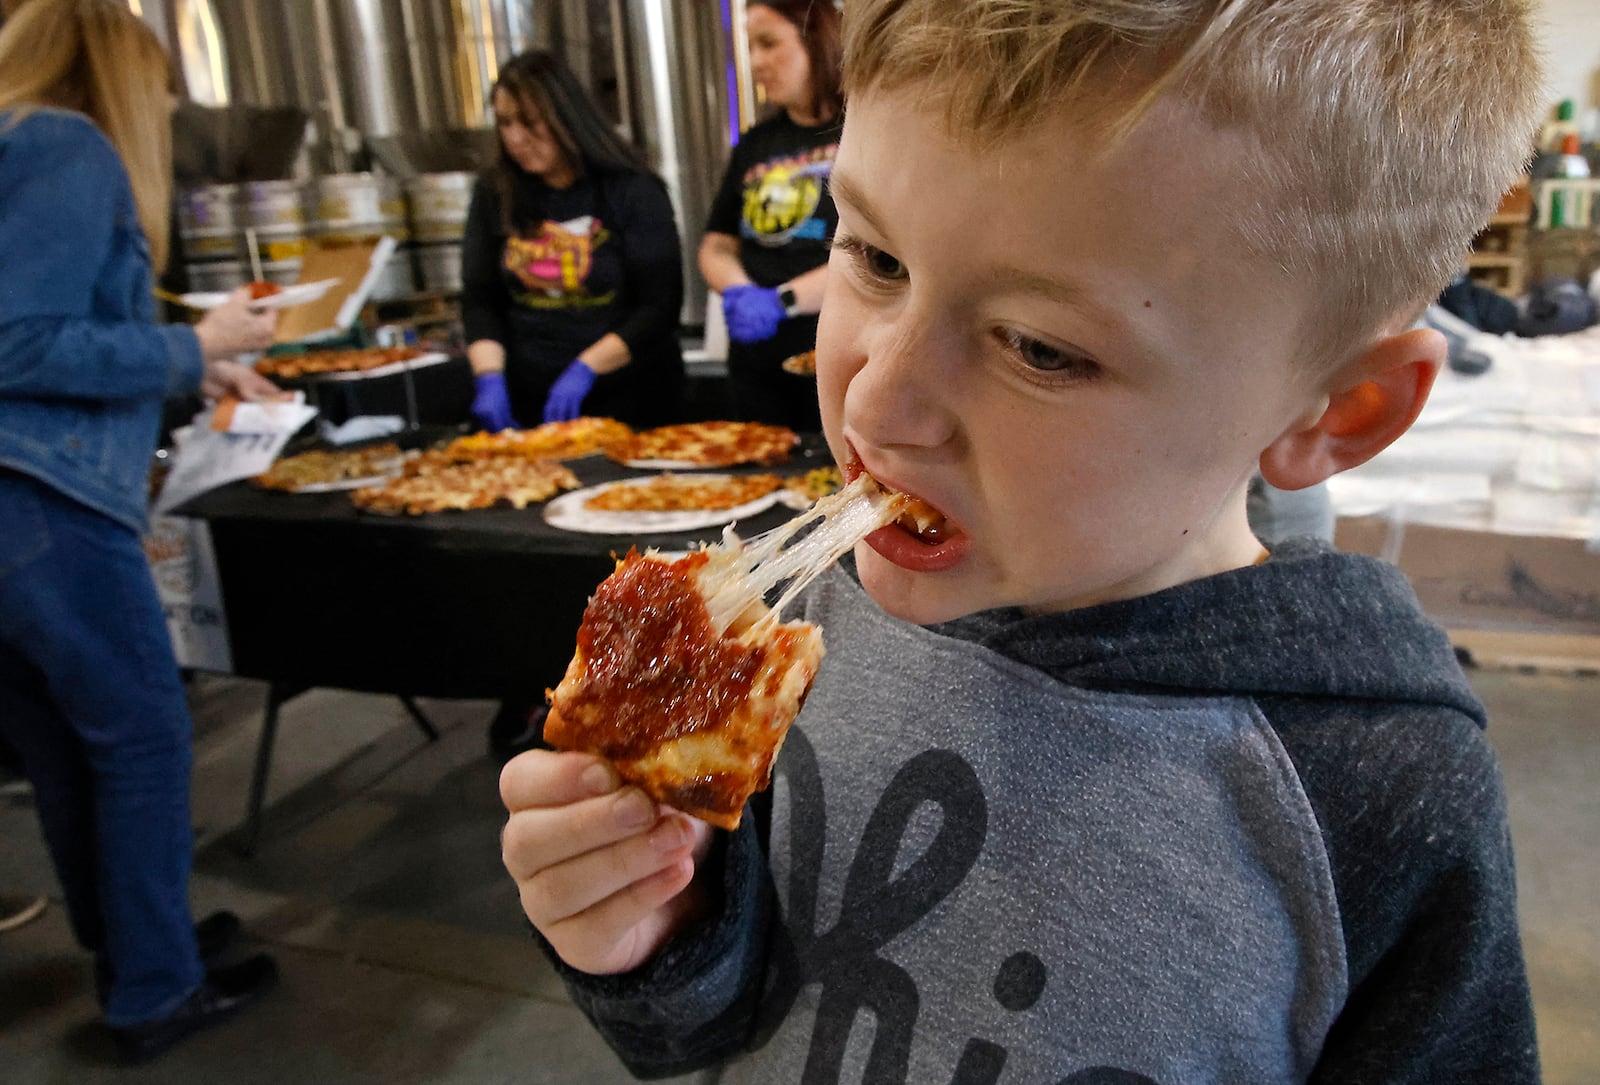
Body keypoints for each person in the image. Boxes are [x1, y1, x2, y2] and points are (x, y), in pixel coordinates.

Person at [499, 1, 1544, 1081]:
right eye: (871, 256)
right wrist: (655, 934)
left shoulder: (1379, 789)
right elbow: (717, 1019)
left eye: (1040, 347)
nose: (877, 404)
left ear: (1338, 409)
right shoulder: (789, 639)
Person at [0, 0, 281, 1062]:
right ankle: (157, 986)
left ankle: (132, 948)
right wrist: (194, 342)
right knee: (143, 738)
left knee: (69, 748)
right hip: (41, 501)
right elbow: (17, 340)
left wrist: (189, 365)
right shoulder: (64, 140)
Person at [461, 49, 686, 433]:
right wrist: (489, 378)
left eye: (530, 122)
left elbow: (658, 308)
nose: (516, 137)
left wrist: (585, 368)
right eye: (505, 122)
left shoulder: (633, 190)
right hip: (529, 406)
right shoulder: (495, 192)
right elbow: (481, 299)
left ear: (566, 117)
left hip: (630, 404)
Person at [699, 0, 843, 432]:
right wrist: (741, 291)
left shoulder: (863, 130)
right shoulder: (756, 143)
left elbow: (879, 254)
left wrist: (781, 301)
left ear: (815, 39)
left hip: (833, 357)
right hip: (755, 363)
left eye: (768, 44)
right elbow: (717, 242)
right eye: (750, 47)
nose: (756, 62)